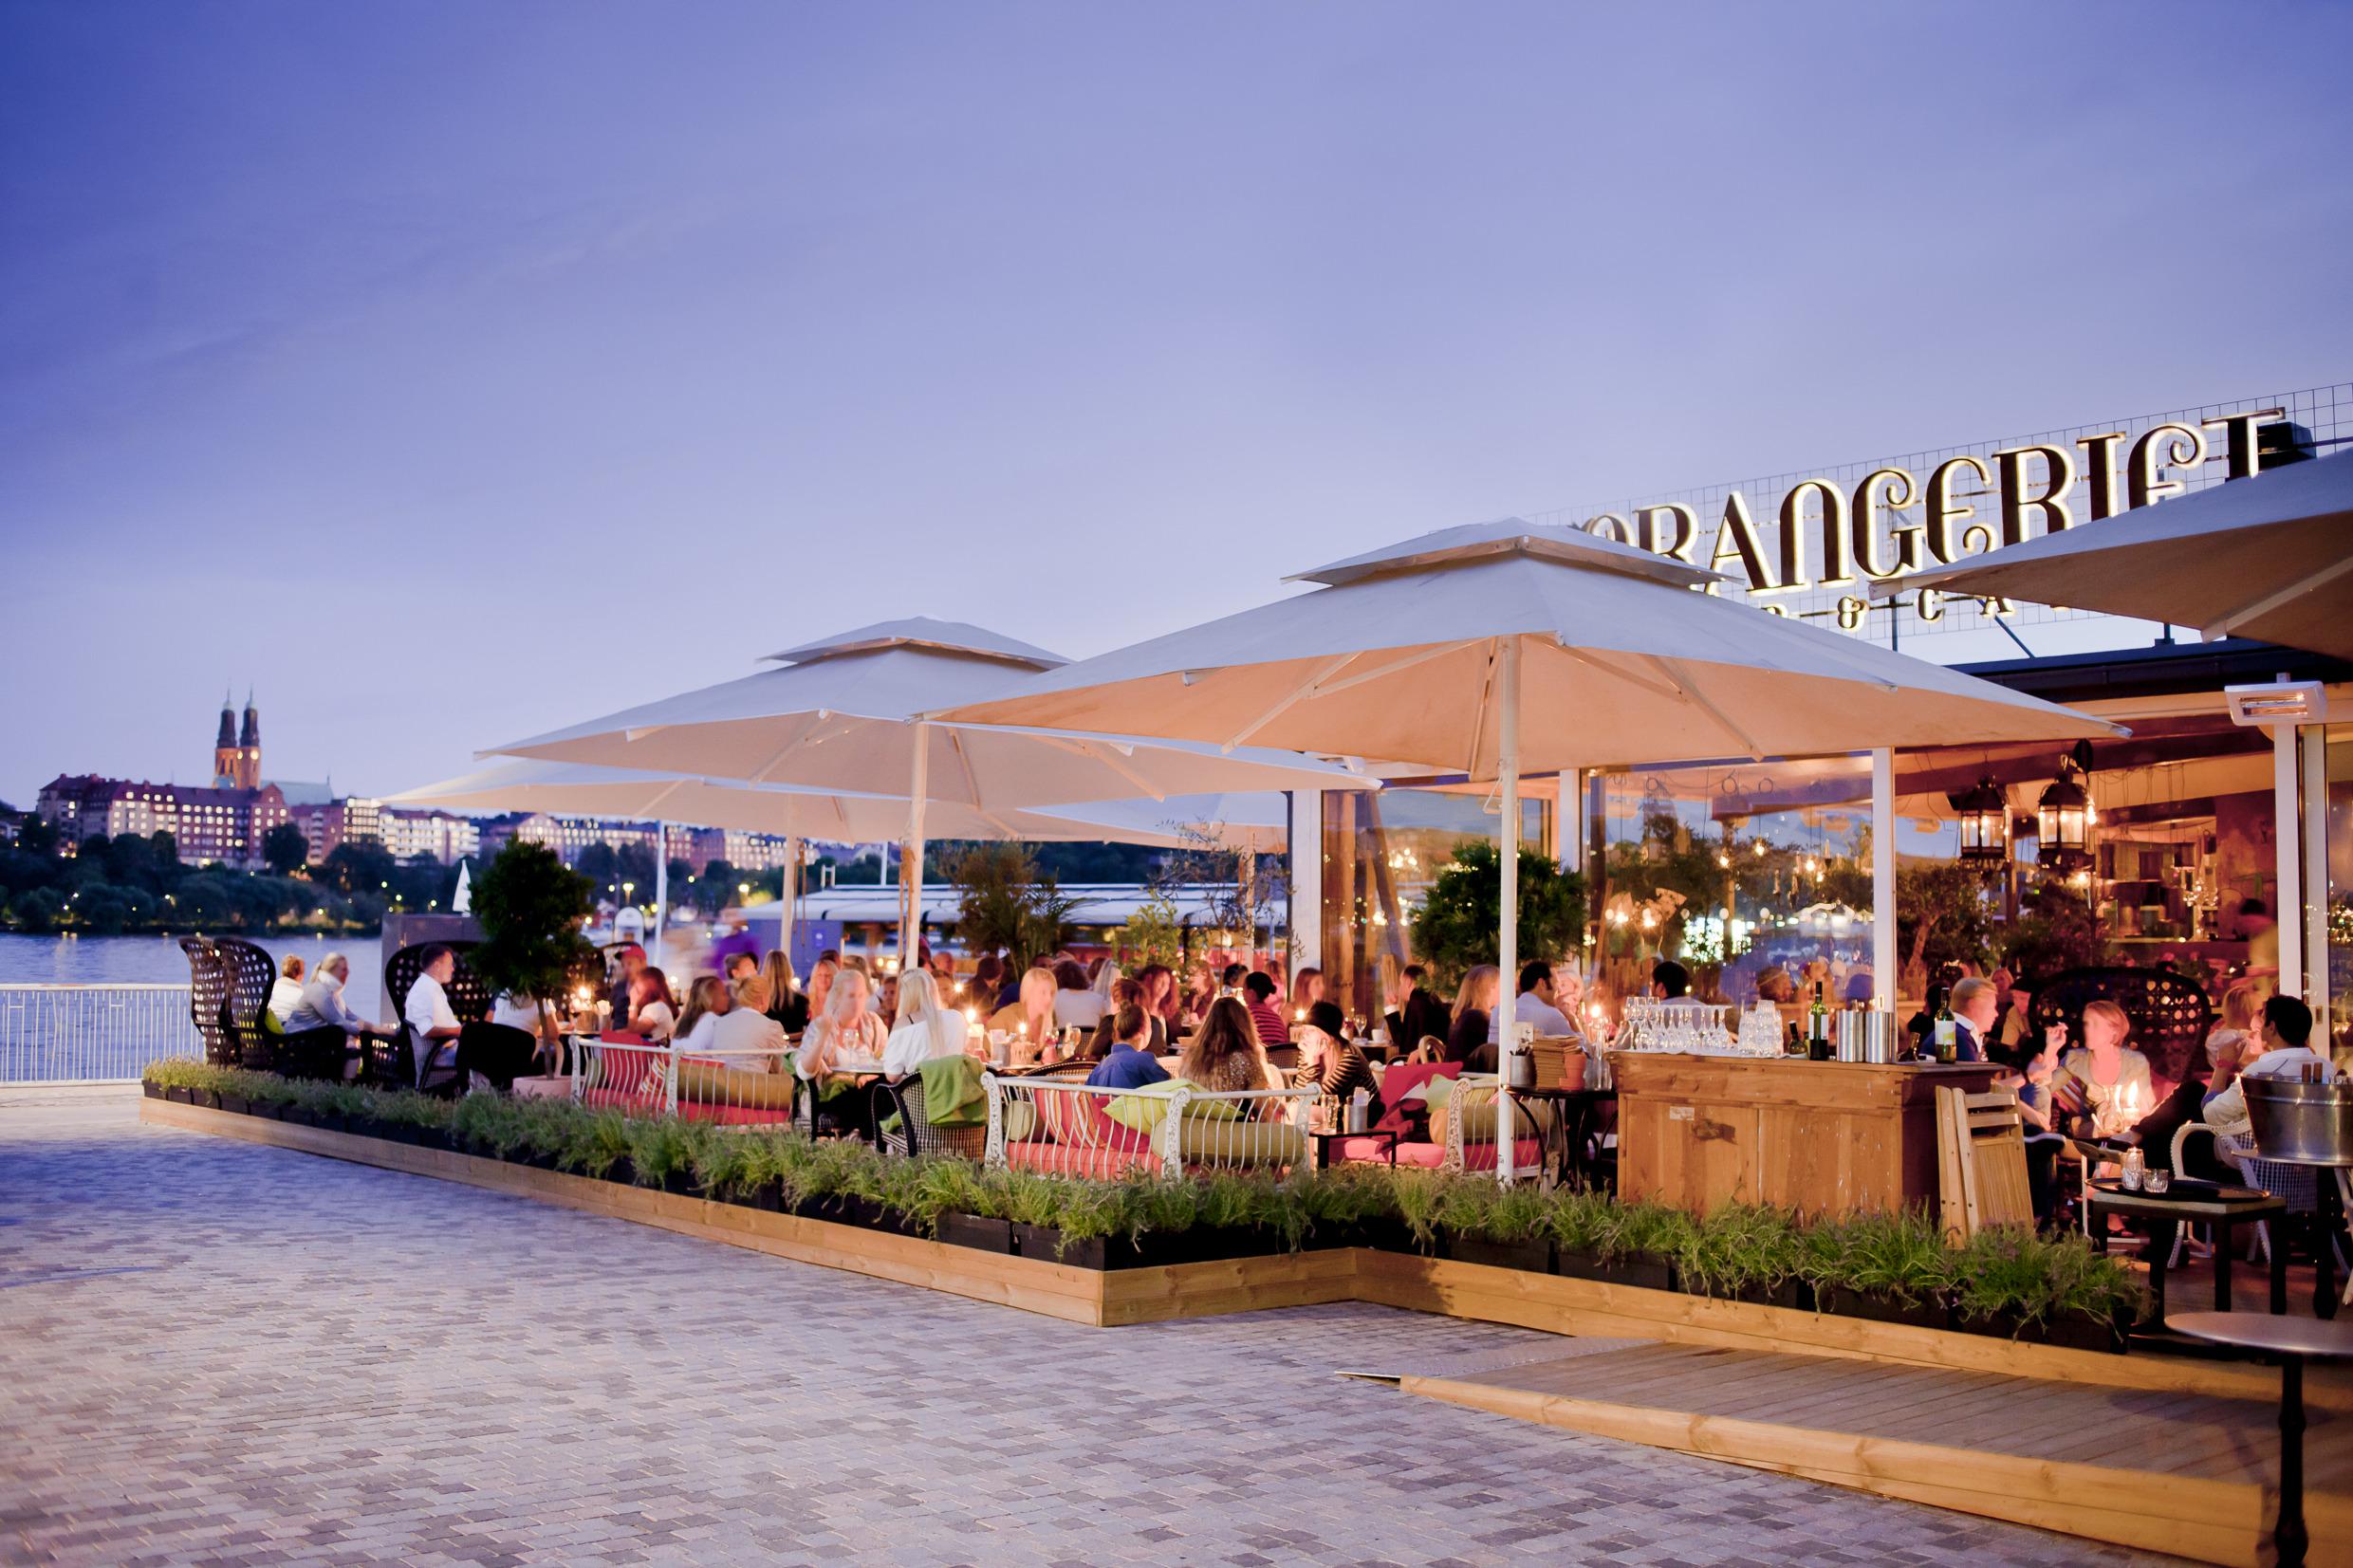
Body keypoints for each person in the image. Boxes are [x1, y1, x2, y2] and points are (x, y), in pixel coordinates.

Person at [403, 944, 535, 1092]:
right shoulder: (424, 990)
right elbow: (427, 1030)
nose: (453, 968)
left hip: (453, 1046)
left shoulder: (430, 987)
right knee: (514, 1043)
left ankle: (502, 1087)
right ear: (437, 966)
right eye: (450, 964)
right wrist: (460, 1030)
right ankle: (511, 1089)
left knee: (510, 1041)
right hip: (442, 1052)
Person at [2201, 995, 2334, 1141]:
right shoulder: (2327, 1069)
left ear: (2272, 1027)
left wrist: (2223, 1065)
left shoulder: (2259, 1073)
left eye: (2262, 1019)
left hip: (2263, 1151)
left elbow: (2211, 1115)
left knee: (2191, 1110)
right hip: (2310, 1146)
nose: (2256, 1026)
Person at [2049, 1000, 2155, 1137]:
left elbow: (2147, 1110)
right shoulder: (2076, 1060)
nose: (2088, 1030)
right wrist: (2050, 1049)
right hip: (2092, 1138)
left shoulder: (2136, 1063)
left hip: (2128, 1137)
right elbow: (2042, 1089)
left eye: (2096, 1025)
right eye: (2087, 1024)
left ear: (2114, 1031)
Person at [795, 967, 889, 1079]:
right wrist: (822, 1038)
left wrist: (869, 1076)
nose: (857, 1002)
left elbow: (887, 1063)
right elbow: (804, 1073)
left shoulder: (874, 1024)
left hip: (870, 1091)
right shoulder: (821, 1024)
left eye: (861, 995)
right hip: (832, 1093)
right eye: (851, 996)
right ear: (838, 997)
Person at [1296, 1008, 1381, 1119]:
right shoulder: (1309, 1053)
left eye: (1311, 1031)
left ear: (1328, 1035)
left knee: (1307, 1113)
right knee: (1295, 1111)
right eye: (1304, 1030)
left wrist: (1312, 1064)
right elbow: (1298, 1098)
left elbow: (1317, 1100)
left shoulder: (1349, 1056)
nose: (1305, 1035)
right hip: (1334, 1115)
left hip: (1361, 1117)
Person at [882, 969, 969, 1078]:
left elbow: (892, 1075)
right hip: (954, 1091)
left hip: (919, 1093)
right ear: (933, 990)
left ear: (905, 995)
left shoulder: (904, 1023)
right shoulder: (957, 1017)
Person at [1177, 996, 1270, 1095]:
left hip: (1196, 1109)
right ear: (1244, 1025)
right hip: (1230, 1110)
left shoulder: (1191, 1057)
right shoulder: (1246, 1059)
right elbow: (1260, 1101)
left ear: (1208, 1023)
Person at [1086, 1002, 1173, 1092]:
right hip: (1133, 1106)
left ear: (1117, 1032)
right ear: (1143, 1029)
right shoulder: (1144, 1060)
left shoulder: (1098, 1069)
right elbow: (1171, 1088)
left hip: (1103, 1106)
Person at [1488, 961, 1576, 1044]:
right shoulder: (1551, 1015)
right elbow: (1585, 1054)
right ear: (1542, 984)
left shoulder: (1497, 1011)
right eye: (1557, 983)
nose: (1560, 990)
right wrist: (1573, 1020)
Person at [1381, 956, 1451, 1058]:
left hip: (1421, 1065)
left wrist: (1391, 1008)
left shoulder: (1416, 1001)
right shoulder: (1433, 998)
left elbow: (1403, 1041)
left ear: (1408, 982)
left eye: (1401, 983)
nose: (1400, 988)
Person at [1088, 978, 1167, 1059]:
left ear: (1118, 1001)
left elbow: (1091, 1057)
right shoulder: (1155, 1023)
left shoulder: (1110, 1022)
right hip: (1150, 1070)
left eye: (1113, 997)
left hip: (1118, 1070)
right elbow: (1162, 1058)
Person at [989, 965, 1061, 1049]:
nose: (1049, 999)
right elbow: (989, 1054)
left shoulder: (1050, 1018)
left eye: (1051, 993)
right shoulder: (1006, 1017)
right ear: (1028, 993)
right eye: (1043, 992)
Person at [1445, 965, 1500, 1068]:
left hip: (1458, 1078)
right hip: (1473, 1080)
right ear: (1490, 987)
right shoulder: (1476, 1018)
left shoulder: (1463, 1016)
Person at [1940, 976, 1999, 1064]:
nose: (1996, 1014)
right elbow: (1973, 1078)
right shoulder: (1958, 1038)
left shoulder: (1953, 1031)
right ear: (1974, 1004)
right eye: (1992, 1007)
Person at [760, 950, 810, 1036]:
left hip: (766, 1047)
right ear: (788, 970)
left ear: (765, 971)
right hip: (794, 1047)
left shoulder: (759, 1002)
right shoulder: (801, 1001)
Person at [2240, 898, 2280, 1002]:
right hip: (2262, 997)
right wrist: (2246, 981)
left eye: (2250, 921)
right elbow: (2257, 972)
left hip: (2278, 995)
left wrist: (2262, 971)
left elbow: (2289, 967)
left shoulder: (2277, 933)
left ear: (2260, 917)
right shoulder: (2254, 937)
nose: (2248, 925)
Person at [1240, 971, 1289, 1048]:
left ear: (1251, 993)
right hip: (1280, 1059)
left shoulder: (1243, 1015)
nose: (1242, 992)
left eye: (1243, 989)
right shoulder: (1277, 1018)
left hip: (1256, 1059)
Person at [1052, 959, 1104, 1030]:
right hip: (1092, 1041)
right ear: (1082, 977)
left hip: (1062, 1040)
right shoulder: (1098, 999)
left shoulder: (1053, 998)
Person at [628, 967, 677, 1042]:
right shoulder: (657, 1006)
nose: (635, 986)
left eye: (639, 982)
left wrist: (633, 1003)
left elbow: (633, 1031)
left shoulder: (657, 1008)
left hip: (655, 1052)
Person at [606, 944, 644, 1024]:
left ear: (641, 963)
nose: (626, 969)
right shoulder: (618, 987)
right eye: (623, 965)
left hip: (639, 1035)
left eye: (630, 964)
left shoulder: (649, 987)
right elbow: (610, 1016)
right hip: (616, 1034)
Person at [269, 954, 306, 1024]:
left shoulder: (270, 989)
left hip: (265, 1030)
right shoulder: (303, 995)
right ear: (301, 975)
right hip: (288, 1032)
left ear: (282, 972)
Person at [806, 953, 840, 1022]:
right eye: (819, 975)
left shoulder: (840, 1002)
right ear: (814, 977)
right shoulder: (806, 1001)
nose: (823, 978)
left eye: (827, 975)